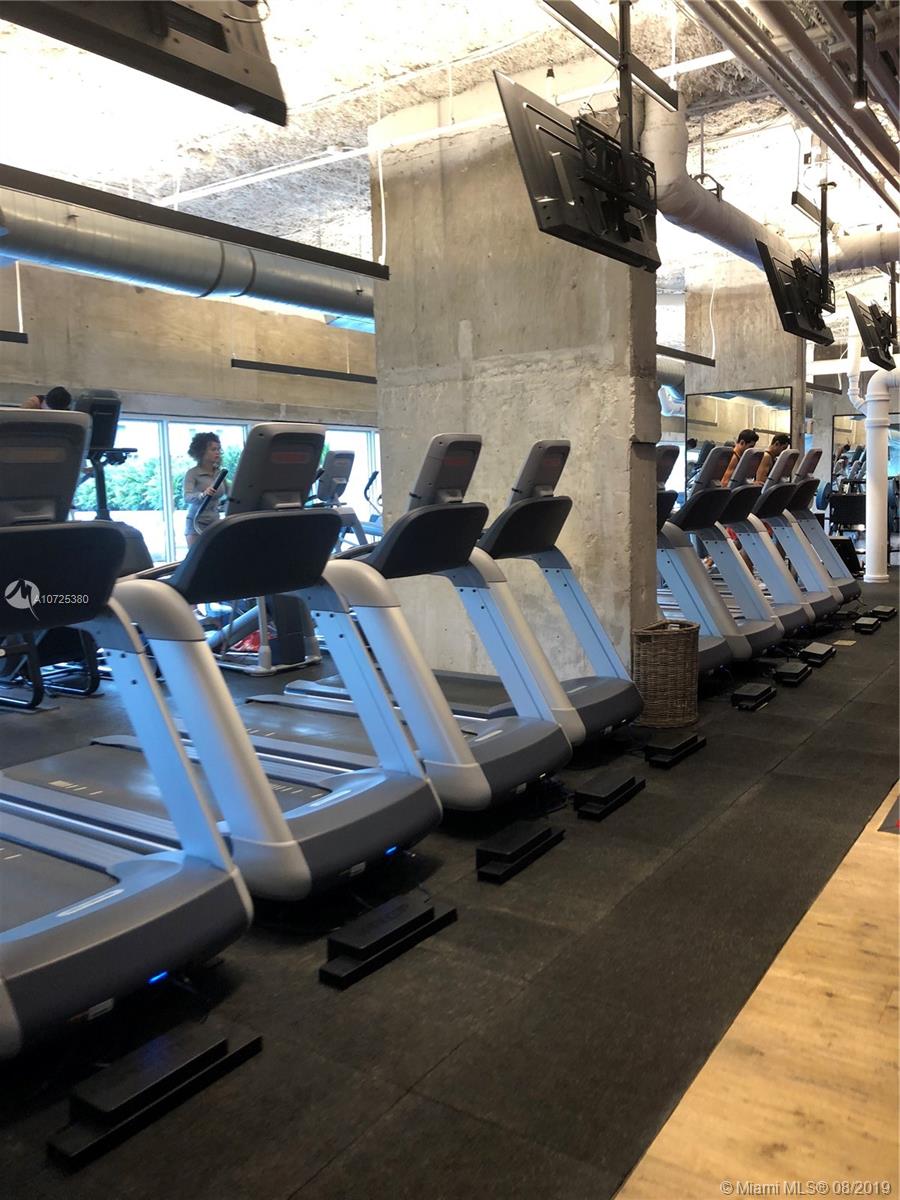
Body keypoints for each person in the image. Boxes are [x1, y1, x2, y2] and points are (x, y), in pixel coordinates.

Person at [183, 433, 228, 547]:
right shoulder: (192, 473)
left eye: (218, 449)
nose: (217, 452)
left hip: (215, 523)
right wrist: (202, 495)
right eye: (213, 449)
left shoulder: (220, 473)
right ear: (201, 451)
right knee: (197, 556)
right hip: (196, 523)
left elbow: (232, 493)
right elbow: (187, 497)